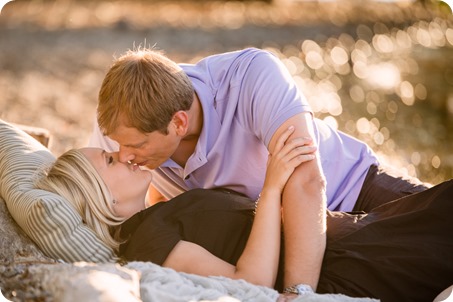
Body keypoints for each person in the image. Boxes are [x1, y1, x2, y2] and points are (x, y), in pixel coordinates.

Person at [88, 47, 430, 289]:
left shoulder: (250, 77)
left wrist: (299, 292)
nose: (124, 155)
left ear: (179, 123)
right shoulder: (126, 126)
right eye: (117, 147)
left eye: (135, 147)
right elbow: (81, 183)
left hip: (355, 186)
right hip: (286, 236)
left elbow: (307, 180)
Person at [35, 128, 453, 302]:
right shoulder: (145, 241)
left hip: (347, 237)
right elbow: (249, 283)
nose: (124, 156)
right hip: (347, 260)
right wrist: (273, 187)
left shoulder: (156, 216)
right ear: (101, 199)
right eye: (110, 160)